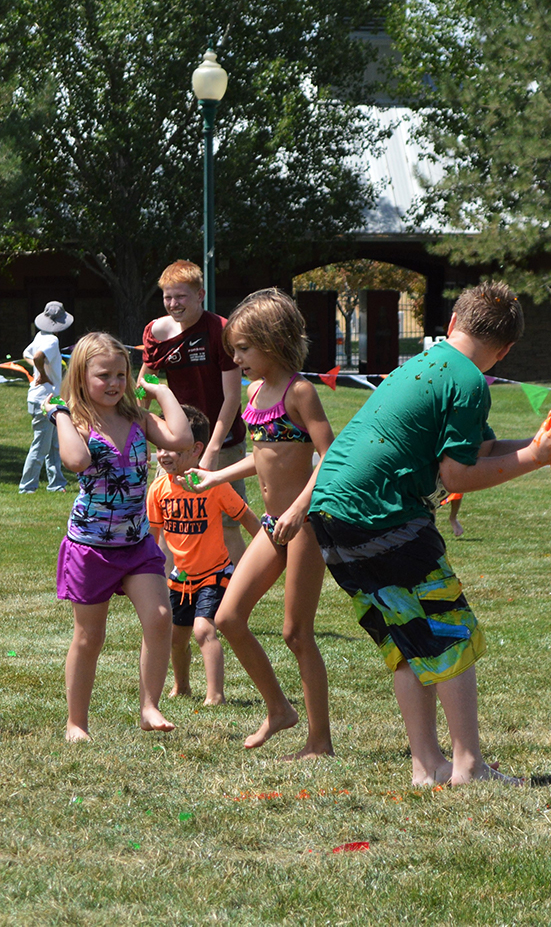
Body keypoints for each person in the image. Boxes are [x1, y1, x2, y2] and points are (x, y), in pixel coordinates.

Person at [303, 281, 551, 785]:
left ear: (453, 322)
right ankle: (468, 766)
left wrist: (540, 445)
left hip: (332, 512)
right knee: (451, 627)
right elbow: (457, 477)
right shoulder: (470, 381)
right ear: (507, 350)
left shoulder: (422, 365)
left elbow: (475, 451)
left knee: (410, 635)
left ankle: (425, 764)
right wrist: (537, 459)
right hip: (381, 512)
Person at [183, 289, 335, 758]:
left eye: (244, 349)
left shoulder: (300, 391)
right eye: (233, 349)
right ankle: (278, 710)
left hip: (305, 527)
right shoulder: (254, 394)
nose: (236, 358)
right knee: (228, 617)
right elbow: (262, 457)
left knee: (296, 633)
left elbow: (331, 460)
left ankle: (319, 742)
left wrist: (298, 510)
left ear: (274, 342)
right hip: (273, 525)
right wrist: (213, 479)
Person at [51, 331, 192, 742]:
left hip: (136, 544)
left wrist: (160, 391)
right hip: (91, 547)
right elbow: (76, 460)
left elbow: (181, 438)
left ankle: (150, 706)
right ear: (80, 377)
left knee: (161, 618)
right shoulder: (75, 420)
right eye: (103, 376)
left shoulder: (136, 417)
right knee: (90, 636)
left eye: (120, 375)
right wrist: (59, 412)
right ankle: (76, 722)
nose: (114, 384)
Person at [147, 404, 259, 705]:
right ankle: (182, 686)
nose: (164, 454)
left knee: (203, 629)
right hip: (180, 578)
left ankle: (216, 695)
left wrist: (267, 546)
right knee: (175, 637)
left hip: (215, 573)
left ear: (196, 449)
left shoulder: (213, 485)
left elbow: (247, 518)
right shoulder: (157, 490)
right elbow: (153, 539)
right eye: (160, 447)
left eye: (172, 447)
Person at [143, 260, 248, 565]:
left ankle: (235, 599)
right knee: (167, 523)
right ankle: (170, 599)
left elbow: (232, 398)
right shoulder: (156, 332)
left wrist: (212, 450)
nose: (173, 304)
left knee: (228, 524)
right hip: (176, 443)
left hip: (222, 442)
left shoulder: (222, 330)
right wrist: (140, 430)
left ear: (201, 294)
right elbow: (145, 383)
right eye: (167, 297)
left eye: (181, 297)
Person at [19, 300, 72, 494]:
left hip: (45, 398)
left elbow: (27, 353)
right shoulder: (52, 340)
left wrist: (38, 370)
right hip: (45, 399)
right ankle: (27, 487)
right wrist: (41, 372)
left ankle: (56, 483)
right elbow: (38, 356)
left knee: (53, 445)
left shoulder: (40, 336)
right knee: (41, 446)